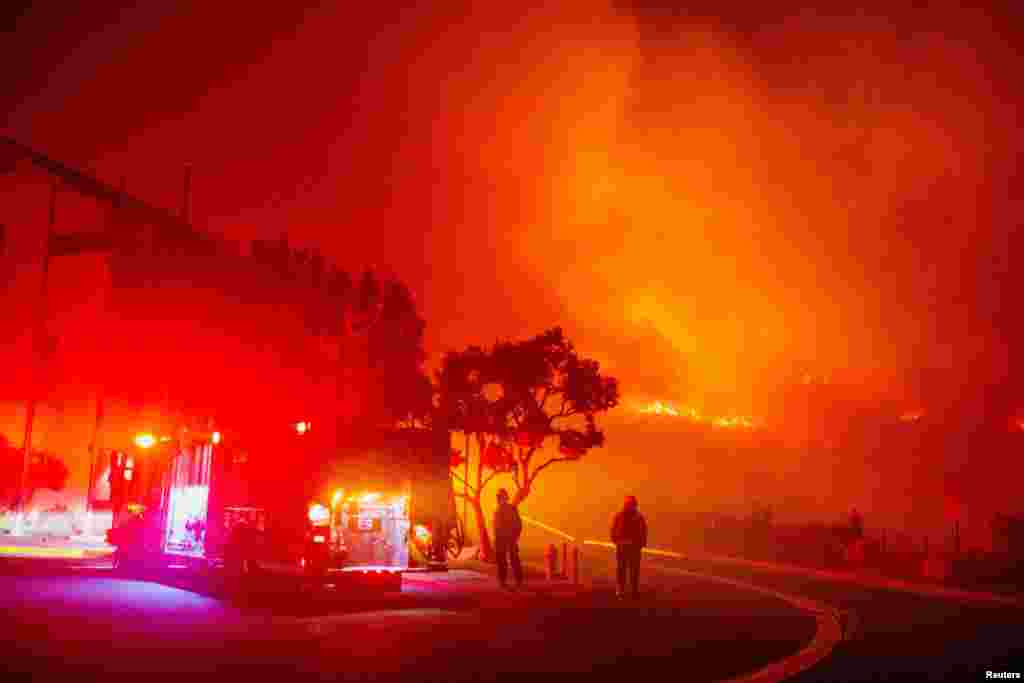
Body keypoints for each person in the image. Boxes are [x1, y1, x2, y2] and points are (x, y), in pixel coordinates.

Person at [611, 495, 647, 599]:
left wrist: (640, 544)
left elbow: (643, 531)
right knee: (625, 569)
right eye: (630, 504)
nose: (631, 506)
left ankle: (631, 590)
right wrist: (617, 541)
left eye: (632, 505)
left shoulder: (636, 517)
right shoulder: (622, 516)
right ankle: (623, 590)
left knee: (632, 570)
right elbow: (613, 530)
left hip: (631, 547)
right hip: (625, 547)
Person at [493, 488, 523, 589]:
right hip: (506, 539)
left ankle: (515, 581)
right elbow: (518, 524)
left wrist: (514, 536)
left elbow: (518, 524)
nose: (499, 499)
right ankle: (508, 581)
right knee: (505, 560)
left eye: (500, 497)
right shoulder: (504, 509)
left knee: (511, 560)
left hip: (507, 538)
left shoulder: (504, 509)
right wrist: (515, 536)